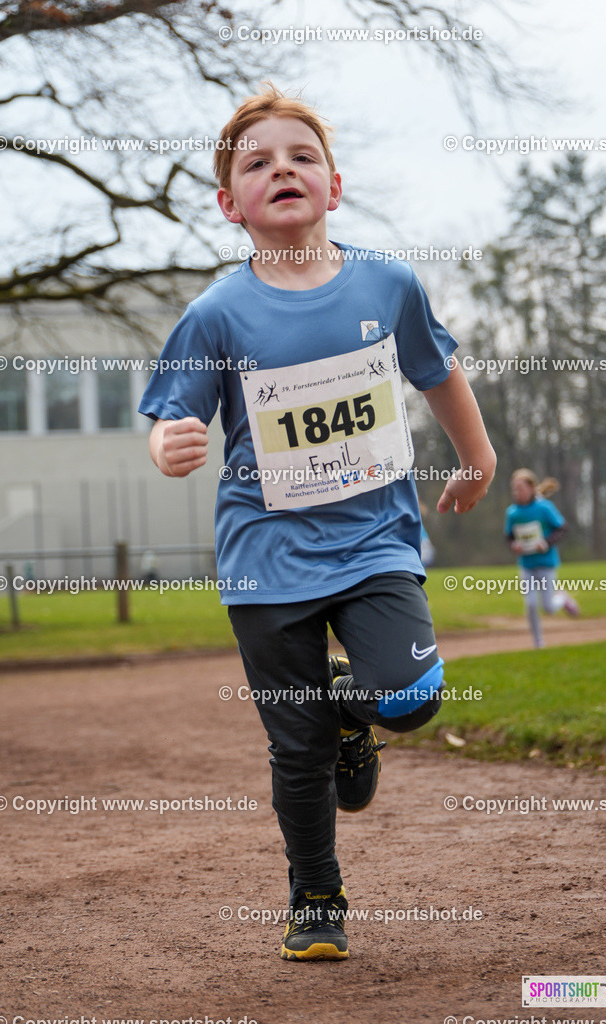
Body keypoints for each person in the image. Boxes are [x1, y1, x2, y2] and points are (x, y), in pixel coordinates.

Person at [139, 84, 496, 962]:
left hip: (374, 540)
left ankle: (354, 713)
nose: (281, 169)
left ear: (333, 186)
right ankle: (316, 896)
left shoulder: (388, 282)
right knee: (293, 746)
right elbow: (167, 417)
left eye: (300, 156)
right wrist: (169, 446)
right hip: (264, 552)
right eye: (255, 163)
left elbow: (436, 371)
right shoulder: (216, 313)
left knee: (408, 701)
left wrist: (477, 460)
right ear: (231, 205)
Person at [505, 468, 579, 648]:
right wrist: (514, 545)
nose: (517, 492)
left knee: (548, 608)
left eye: (521, 488)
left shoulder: (544, 507)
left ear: (531, 488)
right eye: (515, 489)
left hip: (546, 563)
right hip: (526, 565)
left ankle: (562, 598)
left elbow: (562, 528)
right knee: (530, 605)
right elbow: (509, 536)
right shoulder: (512, 512)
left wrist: (545, 543)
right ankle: (538, 641)